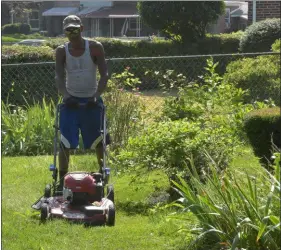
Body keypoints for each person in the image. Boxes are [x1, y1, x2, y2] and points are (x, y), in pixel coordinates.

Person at [55, 15, 109, 188]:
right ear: (65, 31)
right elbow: (58, 76)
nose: (72, 33)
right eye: (68, 30)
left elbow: (104, 74)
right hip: (71, 101)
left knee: (98, 138)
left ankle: (102, 173)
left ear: (82, 29)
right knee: (65, 140)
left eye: (75, 29)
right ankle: (62, 179)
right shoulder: (61, 51)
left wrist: (96, 95)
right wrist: (65, 96)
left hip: (91, 101)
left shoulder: (94, 47)